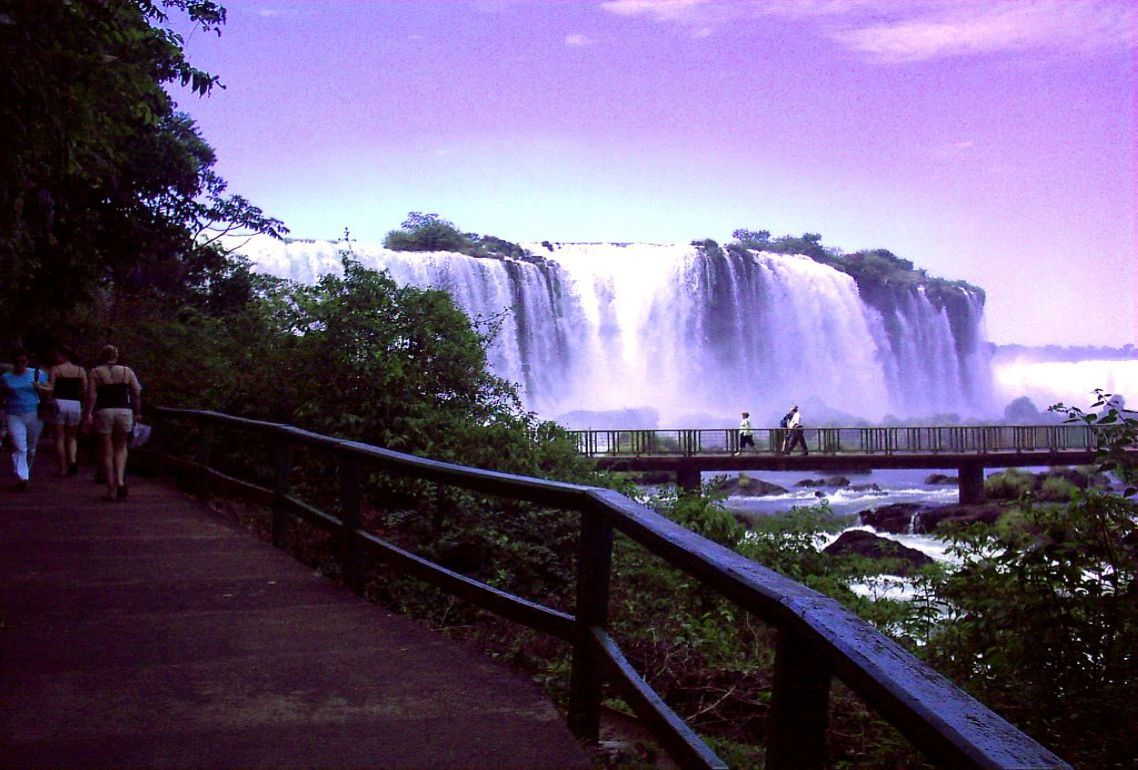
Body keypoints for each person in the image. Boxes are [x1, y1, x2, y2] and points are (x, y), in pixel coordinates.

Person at [83, 345, 142, 500]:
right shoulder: (126, 371)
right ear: (116, 356)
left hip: (103, 411)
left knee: (106, 451)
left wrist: (87, 414)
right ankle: (121, 480)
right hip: (124, 410)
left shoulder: (95, 372)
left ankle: (111, 489)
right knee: (121, 447)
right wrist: (138, 412)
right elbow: (136, 392)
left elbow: (91, 395)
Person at [2, 349, 49, 491]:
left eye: (23, 361)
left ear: (27, 362)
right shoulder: (6, 377)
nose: (20, 364)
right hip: (13, 413)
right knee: (19, 446)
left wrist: (39, 386)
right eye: (17, 362)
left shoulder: (37, 374)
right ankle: (23, 477)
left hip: (34, 413)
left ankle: (25, 470)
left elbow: (50, 388)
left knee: (31, 447)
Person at [46, 346, 87, 476]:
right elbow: (85, 389)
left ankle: (62, 467)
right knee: (72, 436)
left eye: (56, 355)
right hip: (75, 404)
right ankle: (73, 460)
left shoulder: (56, 369)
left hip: (59, 402)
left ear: (63, 355)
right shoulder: (80, 370)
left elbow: (50, 388)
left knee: (59, 437)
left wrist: (43, 392)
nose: (54, 358)